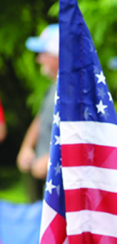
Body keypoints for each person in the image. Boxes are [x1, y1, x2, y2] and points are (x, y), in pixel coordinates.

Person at [17, 24, 59, 183]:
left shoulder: (75, 90)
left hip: (64, 190)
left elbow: (80, 133)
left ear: (57, 55)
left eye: (43, 53)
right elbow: (41, 118)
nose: (38, 59)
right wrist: (26, 147)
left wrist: (52, 159)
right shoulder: (53, 87)